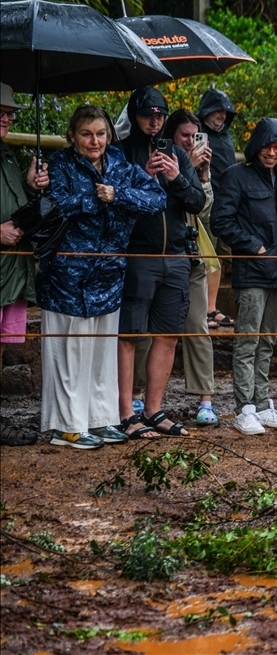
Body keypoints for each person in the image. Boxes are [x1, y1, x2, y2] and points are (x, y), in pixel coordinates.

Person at [37, 105, 165, 447]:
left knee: (100, 355)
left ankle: (99, 419)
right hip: (67, 276)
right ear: (72, 136)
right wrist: (98, 196)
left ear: (109, 135)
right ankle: (67, 425)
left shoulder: (121, 166)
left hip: (108, 276)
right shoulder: (61, 165)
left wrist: (117, 194)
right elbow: (55, 205)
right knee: (70, 353)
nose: (95, 141)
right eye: (86, 134)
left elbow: (157, 198)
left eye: (101, 134)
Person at [113, 87, 206, 438]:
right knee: (130, 336)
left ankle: (154, 409)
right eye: (147, 114)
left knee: (167, 336)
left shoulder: (178, 157)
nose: (154, 121)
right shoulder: (120, 152)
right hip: (138, 255)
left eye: (160, 115)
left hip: (177, 257)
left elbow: (197, 202)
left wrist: (175, 177)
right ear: (134, 115)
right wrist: (146, 178)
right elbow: (116, 204)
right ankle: (127, 412)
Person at [130, 109, 220, 427]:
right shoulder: (156, 158)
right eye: (184, 136)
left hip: (192, 254)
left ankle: (205, 398)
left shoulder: (189, 165)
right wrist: (173, 170)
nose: (190, 142)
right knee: (142, 330)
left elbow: (205, 210)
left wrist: (200, 174)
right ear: (169, 135)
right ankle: (137, 393)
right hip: (156, 255)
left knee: (197, 327)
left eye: (196, 136)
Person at [211, 117, 277, 435]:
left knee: (268, 341)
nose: (272, 153)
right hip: (252, 273)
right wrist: (254, 247)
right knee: (247, 341)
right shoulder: (236, 176)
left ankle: (263, 405)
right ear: (256, 146)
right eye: (267, 146)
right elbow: (221, 221)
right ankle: (243, 408)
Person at [0, 83, 48, 446]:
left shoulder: (7, 156)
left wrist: (32, 188)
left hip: (12, 271)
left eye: (9, 112)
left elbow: (16, 209)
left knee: (2, 347)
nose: (5, 117)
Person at [197, 88, 238, 329]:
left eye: (224, 112)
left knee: (220, 256)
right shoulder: (197, 134)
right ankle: (201, 310)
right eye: (217, 111)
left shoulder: (226, 136)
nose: (221, 116)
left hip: (227, 204)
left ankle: (211, 308)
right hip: (205, 203)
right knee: (206, 255)